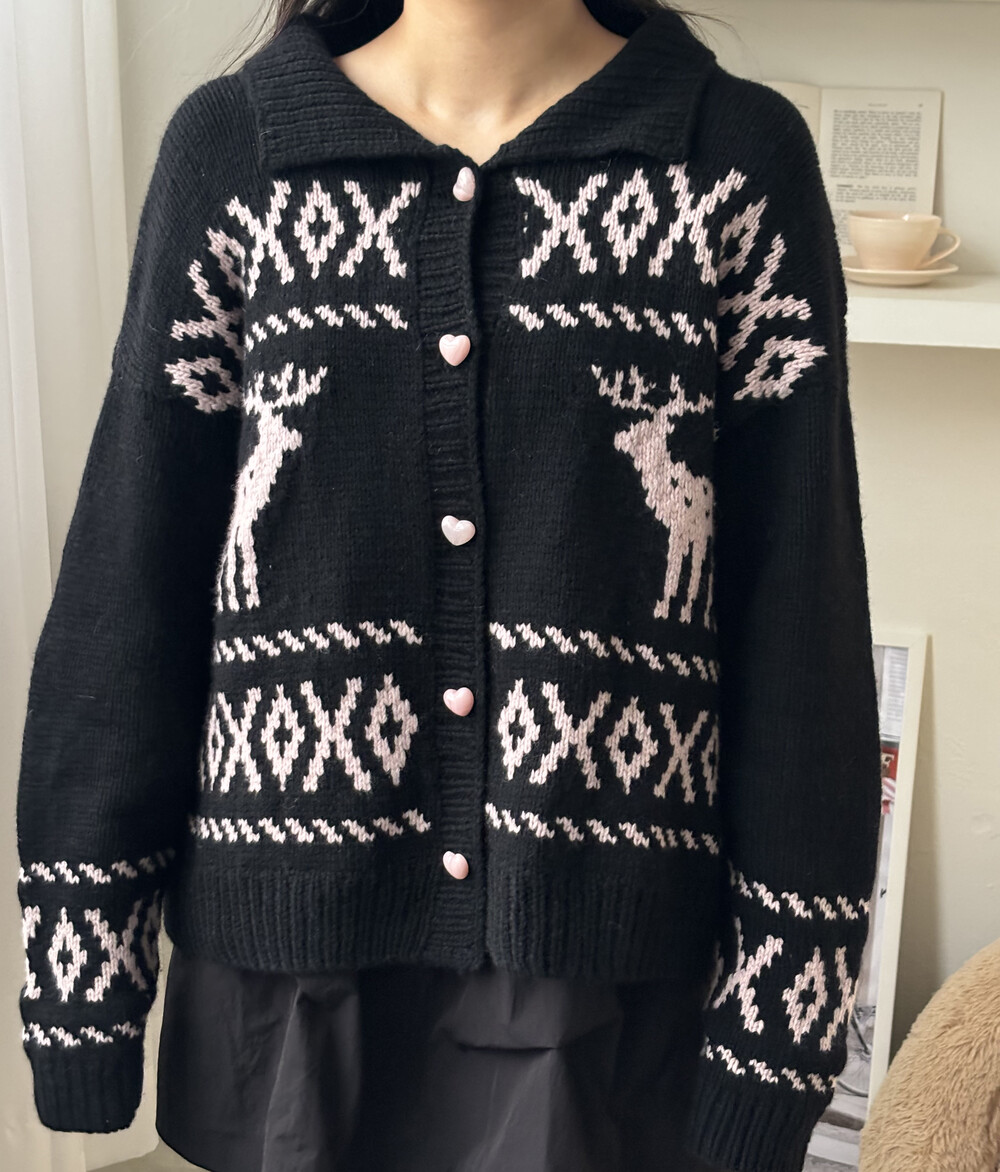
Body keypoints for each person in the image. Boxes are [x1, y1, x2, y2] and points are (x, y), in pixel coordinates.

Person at [14, 1, 884, 1170]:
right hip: (291, 972)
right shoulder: (236, 156)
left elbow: (801, 624)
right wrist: (85, 979)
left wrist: (776, 1035)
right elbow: (130, 579)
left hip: (601, 984)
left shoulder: (730, 166)